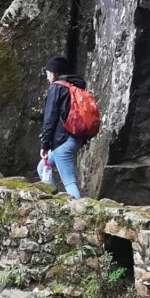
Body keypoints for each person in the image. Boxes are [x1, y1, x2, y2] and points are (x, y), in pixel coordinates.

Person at [37, 55, 84, 199]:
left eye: (48, 73)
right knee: (42, 168)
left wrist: (45, 145)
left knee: (69, 182)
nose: (47, 77)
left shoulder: (56, 88)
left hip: (62, 140)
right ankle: (57, 202)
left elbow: (50, 119)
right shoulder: (74, 86)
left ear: (54, 73)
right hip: (74, 138)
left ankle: (78, 209)